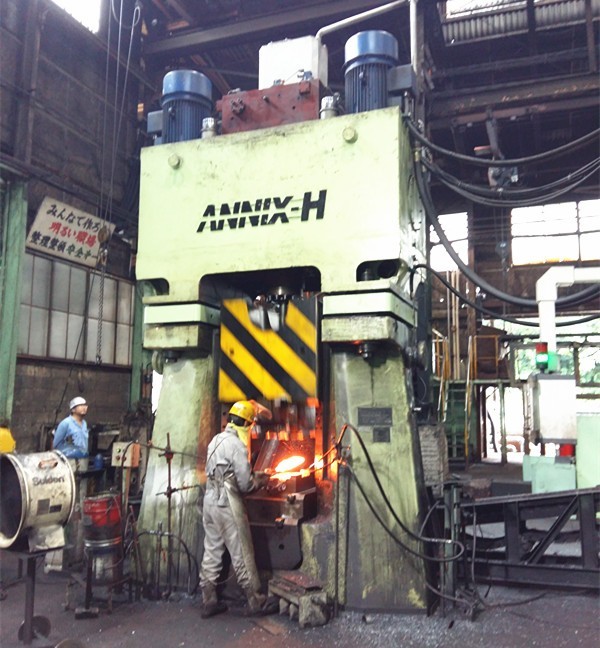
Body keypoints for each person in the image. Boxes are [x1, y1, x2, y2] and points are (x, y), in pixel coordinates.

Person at [199, 400, 271, 618]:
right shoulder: (237, 445)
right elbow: (245, 484)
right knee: (242, 551)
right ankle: (256, 600)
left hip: (209, 500)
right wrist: (260, 480)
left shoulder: (215, 440)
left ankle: (209, 599)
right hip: (227, 502)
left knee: (212, 549)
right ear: (247, 424)